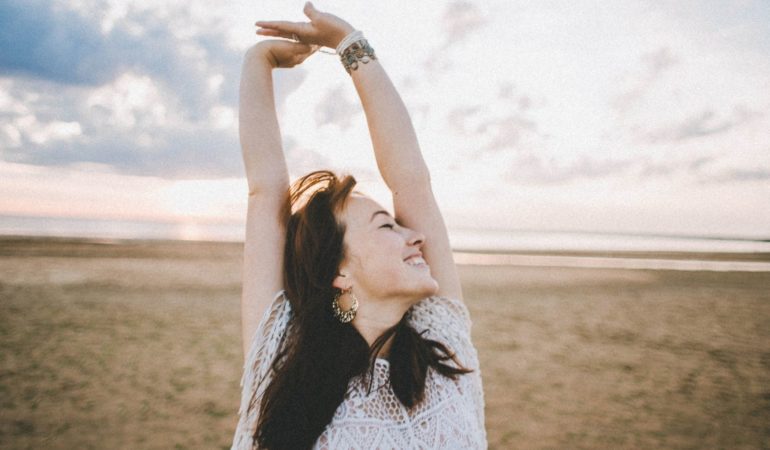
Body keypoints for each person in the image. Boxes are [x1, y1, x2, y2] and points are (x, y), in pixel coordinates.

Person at [231, 3, 487, 449]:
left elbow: (412, 182)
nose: (417, 235)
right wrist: (259, 61)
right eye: (387, 227)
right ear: (339, 271)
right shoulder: (284, 359)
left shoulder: (442, 343)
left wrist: (350, 44)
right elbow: (265, 192)